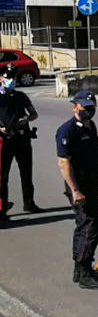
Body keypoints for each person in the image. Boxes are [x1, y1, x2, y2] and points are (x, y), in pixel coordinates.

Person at [56, 91, 98, 290]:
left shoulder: (91, 127)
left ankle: (80, 270)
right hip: (79, 187)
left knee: (84, 226)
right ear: (74, 106)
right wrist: (75, 190)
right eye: (85, 107)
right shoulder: (67, 131)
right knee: (90, 228)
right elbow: (64, 163)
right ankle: (84, 273)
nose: (89, 111)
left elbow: (94, 155)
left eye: (92, 107)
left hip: (93, 183)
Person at [0, 64, 42, 218]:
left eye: (13, 77)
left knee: (26, 173)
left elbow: (34, 114)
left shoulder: (21, 96)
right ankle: (2, 207)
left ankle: (29, 203)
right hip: (4, 140)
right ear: (1, 78)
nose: (11, 80)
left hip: (23, 139)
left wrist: (27, 118)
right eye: (8, 77)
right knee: (2, 176)